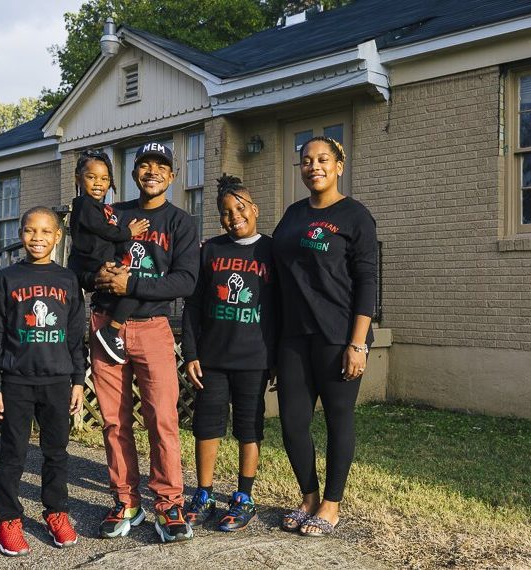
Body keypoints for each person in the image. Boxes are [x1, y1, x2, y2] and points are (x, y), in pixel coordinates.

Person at [90, 141, 200, 543]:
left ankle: (169, 503)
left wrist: (131, 282)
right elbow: (91, 262)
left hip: (153, 327)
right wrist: (99, 275)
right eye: (144, 165)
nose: (152, 171)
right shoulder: (113, 215)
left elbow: (186, 281)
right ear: (134, 173)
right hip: (105, 323)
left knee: (162, 419)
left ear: (171, 176)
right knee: (114, 420)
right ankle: (126, 500)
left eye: (161, 166)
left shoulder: (181, 223)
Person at [272, 136, 378, 537]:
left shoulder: (355, 216)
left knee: (337, 420)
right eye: (306, 161)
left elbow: (367, 281)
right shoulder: (293, 214)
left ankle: (332, 504)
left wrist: (358, 343)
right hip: (293, 338)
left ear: (339, 165)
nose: (313, 166)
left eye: (322, 160)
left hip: (336, 337)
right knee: (292, 423)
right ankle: (309, 497)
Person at [0, 206, 87, 556]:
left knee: (56, 453)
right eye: (30, 231)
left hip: (57, 380)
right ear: (21, 234)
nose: (37, 238)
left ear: (58, 237)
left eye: (45, 232)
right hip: (16, 381)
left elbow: (75, 336)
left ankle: (56, 512)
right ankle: (6, 520)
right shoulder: (6, 279)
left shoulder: (68, 280)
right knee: (13, 453)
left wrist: (77, 380)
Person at [181, 175, 276, 532]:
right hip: (212, 359)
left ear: (254, 210)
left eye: (240, 208)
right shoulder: (211, 251)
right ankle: (204, 493)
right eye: (225, 212)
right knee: (206, 427)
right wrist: (190, 352)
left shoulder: (271, 251)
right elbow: (192, 305)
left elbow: (281, 307)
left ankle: (244, 496)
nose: (233, 216)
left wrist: (277, 357)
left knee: (249, 428)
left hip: (255, 358)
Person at [68, 150, 150, 364]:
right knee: (134, 289)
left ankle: (109, 333)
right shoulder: (84, 204)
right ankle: (110, 332)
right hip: (95, 263)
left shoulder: (99, 207)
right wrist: (129, 232)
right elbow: (105, 231)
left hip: (99, 260)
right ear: (78, 178)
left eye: (105, 179)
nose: (98, 183)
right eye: (91, 177)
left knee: (131, 289)